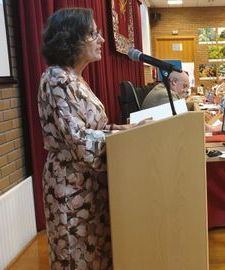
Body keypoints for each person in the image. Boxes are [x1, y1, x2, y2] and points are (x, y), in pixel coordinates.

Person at [38, 8, 149, 269]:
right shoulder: (56, 78)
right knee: (75, 257)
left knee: (95, 255)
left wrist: (126, 131)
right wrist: (124, 137)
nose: (101, 40)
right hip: (71, 185)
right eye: (94, 34)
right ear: (71, 38)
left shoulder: (76, 79)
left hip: (90, 184)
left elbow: (93, 128)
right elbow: (78, 139)